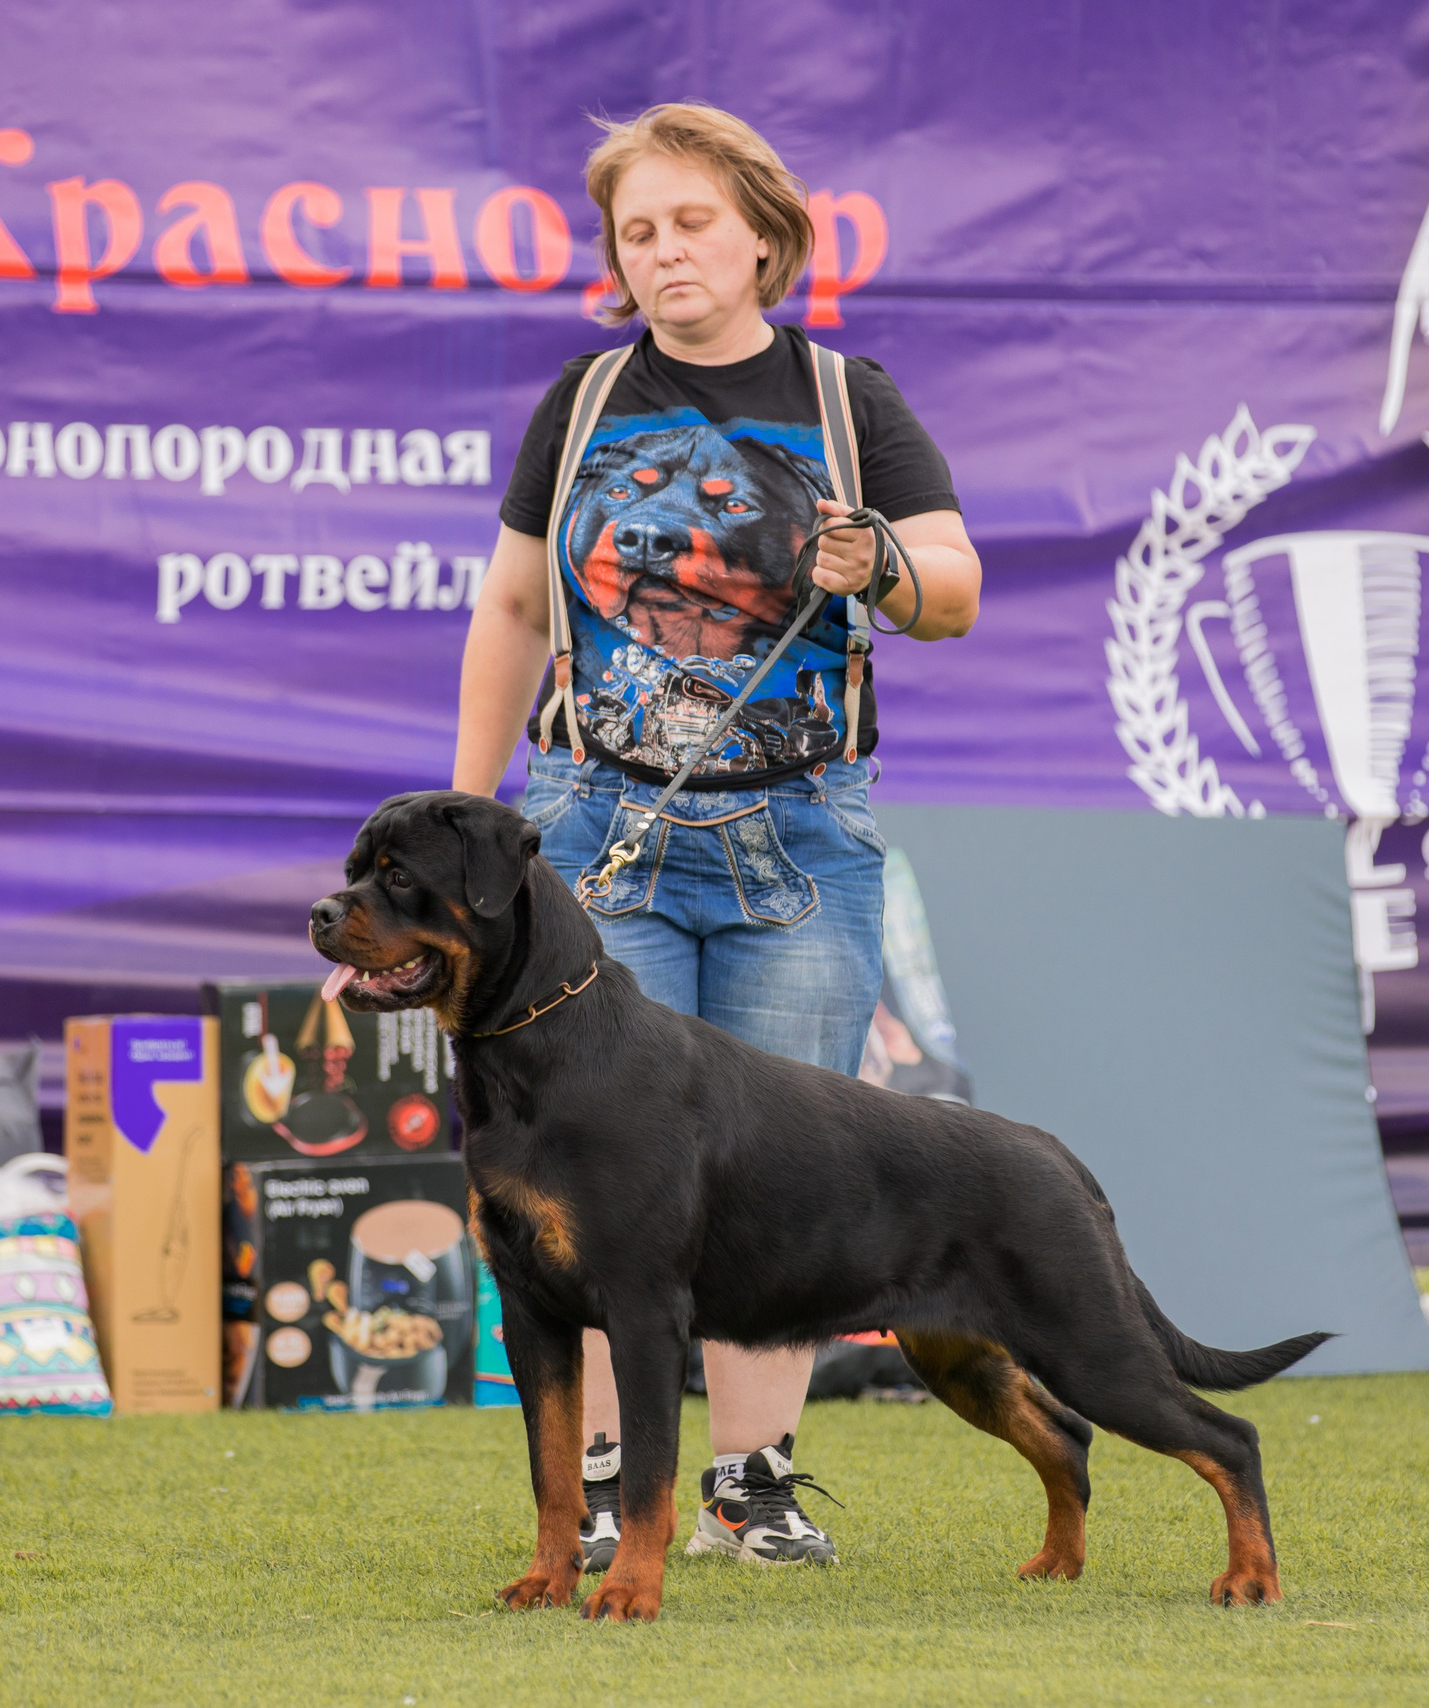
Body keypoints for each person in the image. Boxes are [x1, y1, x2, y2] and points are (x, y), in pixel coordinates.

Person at [451, 102, 981, 1570]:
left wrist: (880, 561)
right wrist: (480, 808)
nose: (667, 248)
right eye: (639, 230)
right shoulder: (581, 401)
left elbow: (955, 587)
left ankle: (755, 1485)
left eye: (692, 220)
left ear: (761, 231)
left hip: (800, 843)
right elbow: (507, 609)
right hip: (595, 832)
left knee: (785, 1168)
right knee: (593, 1163)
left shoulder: (843, 397)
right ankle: (628, 1485)